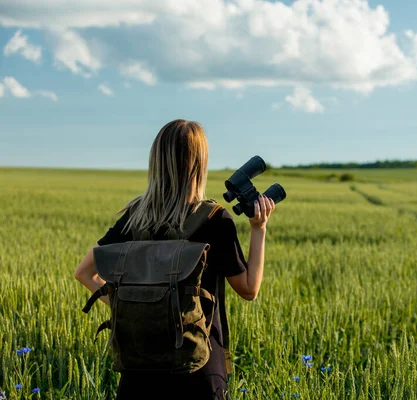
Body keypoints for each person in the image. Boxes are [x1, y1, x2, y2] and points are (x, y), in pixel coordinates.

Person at [74, 119, 275, 399]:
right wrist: (258, 228)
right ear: (200, 164)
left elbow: (84, 273)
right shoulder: (215, 220)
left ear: (156, 160)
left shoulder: (135, 217)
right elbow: (249, 289)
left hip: (138, 368)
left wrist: (139, 307)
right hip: (198, 367)